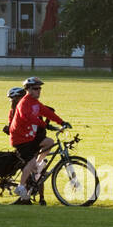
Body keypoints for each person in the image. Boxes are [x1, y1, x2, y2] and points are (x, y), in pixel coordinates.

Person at [10, 76, 68, 204]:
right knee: (30, 162)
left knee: (49, 142)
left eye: (40, 88)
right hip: (20, 139)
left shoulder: (35, 103)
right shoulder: (24, 103)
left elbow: (47, 112)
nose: (39, 91)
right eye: (36, 88)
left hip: (30, 137)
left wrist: (62, 121)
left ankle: (39, 164)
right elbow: (29, 118)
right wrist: (47, 125)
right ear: (28, 90)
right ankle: (20, 187)